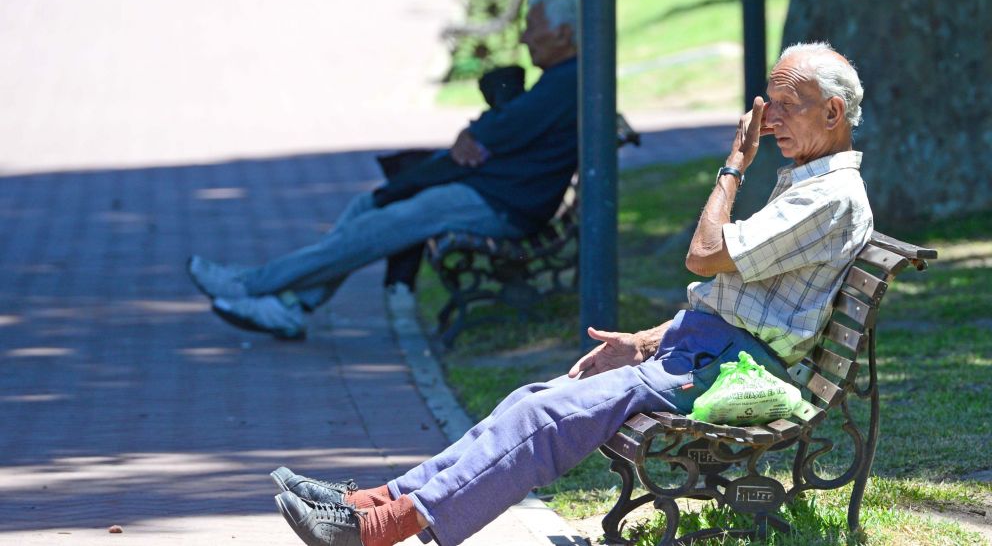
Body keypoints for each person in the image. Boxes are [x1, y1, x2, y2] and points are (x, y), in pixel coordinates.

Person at [269, 41, 873, 546]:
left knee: (542, 417)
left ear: (833, 113)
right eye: (770, 106)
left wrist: (733, 168)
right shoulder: (806, 185)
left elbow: (705, 255)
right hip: (703, 350)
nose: (770, 122)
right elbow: (744, 300)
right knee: (528, 399)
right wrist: (643, 341)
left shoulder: (830, 197)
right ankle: (378, 500)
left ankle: (378, 529)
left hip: (729, 370)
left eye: (787, 107)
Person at [187, 0, 580, 339]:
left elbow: (499, 131)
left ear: (564, 34)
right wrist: (475, 132)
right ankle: (290, 306)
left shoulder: (567, 81)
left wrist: (475, 132)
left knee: (378, 225)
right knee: (366, 208)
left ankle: (249, 286)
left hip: (503, 206)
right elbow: (500, 128)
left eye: (532, 26)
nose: (525, 36)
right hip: (493, 193)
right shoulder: (564, 78)